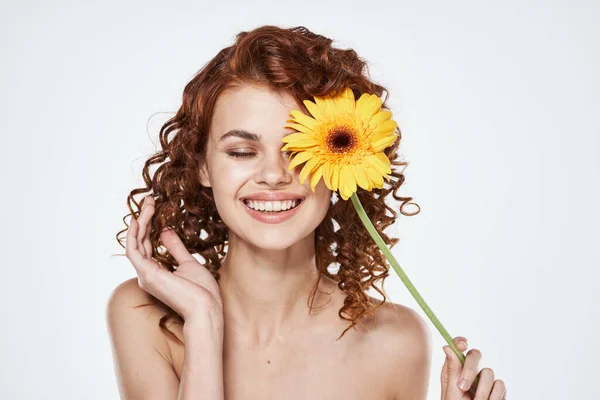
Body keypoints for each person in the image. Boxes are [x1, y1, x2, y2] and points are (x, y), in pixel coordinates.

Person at [107, 25, 507, 400]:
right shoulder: (144, 316)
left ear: (342, 162)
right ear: (203, 167)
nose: (273, 175)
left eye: (298, 151)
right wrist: (203, 324)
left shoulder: (396, 342)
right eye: (242, 152)